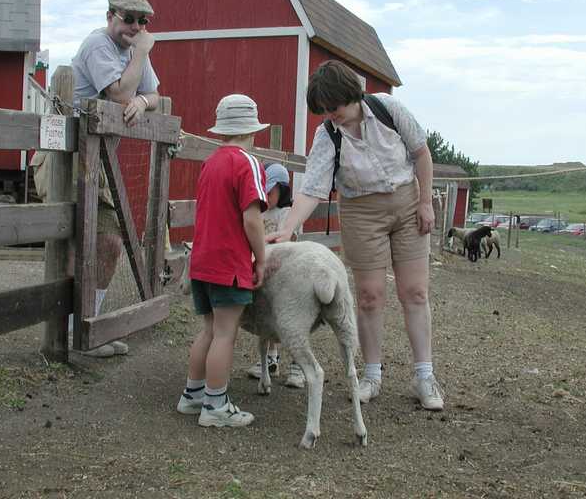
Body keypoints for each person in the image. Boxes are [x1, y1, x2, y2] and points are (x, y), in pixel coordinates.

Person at [268, 60, 444, 411]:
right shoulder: (328, 135)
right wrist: (287, 228)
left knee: (415, 291)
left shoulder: (388, 109)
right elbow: (313, 189)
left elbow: (421, 154)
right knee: (369, 296)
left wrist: (425, 202)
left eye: (334, 106)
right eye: (325, 110)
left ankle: (425, 376)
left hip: (407, 203)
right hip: (361, 212)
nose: (331, 115)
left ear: (351, 95)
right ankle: (371, 375)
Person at [32, 0, 160, 357]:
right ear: (110, 17)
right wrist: (141, 56)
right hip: (67, 159)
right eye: (128, 19)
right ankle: (65, 334)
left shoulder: (131, 52)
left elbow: (154, 95)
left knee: (108, 242)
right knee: (73, 244)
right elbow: (119, 95)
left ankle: (85, 329)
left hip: (98, 163)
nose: (135, 27)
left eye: (142, 22)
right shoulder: (98, 45)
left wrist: (143, 100)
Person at [176, 94, 270, 428]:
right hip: (228, 262)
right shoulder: (248, 163)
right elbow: (252, 219)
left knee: (209, 330)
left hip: (202, 260)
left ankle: (193, 395)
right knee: (225, 334)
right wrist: (261, 258)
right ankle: (216, 406)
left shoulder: (211, 162)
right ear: (252, 130)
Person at [244, 163, 306, 388]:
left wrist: (262, 242)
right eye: (263, 191)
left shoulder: (287, 214)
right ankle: (270, 359)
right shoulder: (259, 212)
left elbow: (286, 239)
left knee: (291, 321)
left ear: (282, 189)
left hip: (286, 275)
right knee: (268, 316)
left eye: (270, 191)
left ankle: (298, 366)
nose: (266, 196)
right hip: (265, 273)